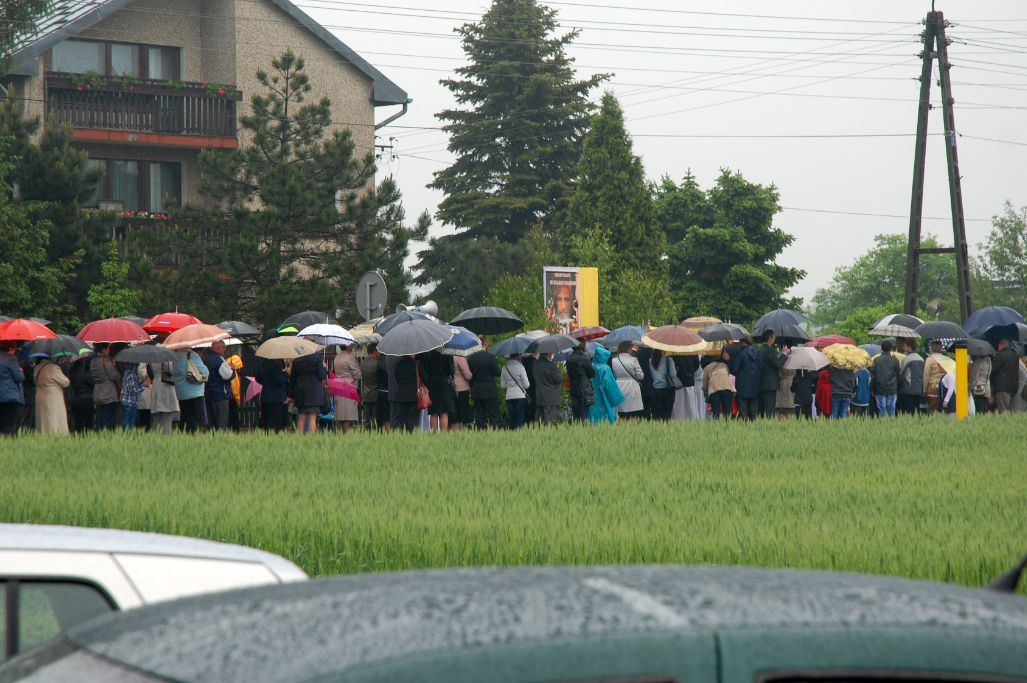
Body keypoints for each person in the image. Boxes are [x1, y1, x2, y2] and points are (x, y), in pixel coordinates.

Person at [467, 339, 502, 429]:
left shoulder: (471, 358)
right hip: (490, 390)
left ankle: (480, 434)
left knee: (479, 416)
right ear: (485, 343)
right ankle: (493, 434)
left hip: (477, 390)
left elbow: (470, 375)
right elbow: (498, 373)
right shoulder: (490, 357)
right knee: (494, 416)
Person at [290, 352, 327, 435]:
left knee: (301, 417)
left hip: (300, 390)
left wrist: (292, 394)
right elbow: (322, 376)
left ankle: (299, 439)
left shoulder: (297, 359)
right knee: (312, 418)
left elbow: (292, 378)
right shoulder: (317, 357)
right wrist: (324, 368)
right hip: (314, 390)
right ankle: (310, 441)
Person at [173, 347, 208, 433]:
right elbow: (205, 372)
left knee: (185, 419)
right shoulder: (192, 355)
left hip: (181, 393)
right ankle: (193, 439)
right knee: (195, 419)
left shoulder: (174, 356)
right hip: (194, 392)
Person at [727, 336, 762, 421]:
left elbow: (734, 370)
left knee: (743, 413)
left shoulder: (741, 353)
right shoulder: (758, 352)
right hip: (755, 386)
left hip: (742, 386)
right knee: (754, 412)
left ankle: (745, 430)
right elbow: (761, 367)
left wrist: (728, 360)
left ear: (743, 341)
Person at [387, 354, 425, 433]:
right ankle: (411, 435)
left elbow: (397, 378)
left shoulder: (398, 364)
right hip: (413, 394)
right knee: (413, 418)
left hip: (401, 394)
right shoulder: (417, 364)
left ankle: (403, 434)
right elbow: (425, 378)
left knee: (403, 418)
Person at [203, 340, 235, 431]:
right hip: (220, 395)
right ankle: (221, 442)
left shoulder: (206, 359)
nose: (225, 350)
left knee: (212, 423)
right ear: (218, 348)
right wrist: (232, 369)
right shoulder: (219, 360)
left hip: (209, 394)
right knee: (222, 422)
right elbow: (227, 375)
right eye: (224, 348)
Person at [33, 357, 70, 436]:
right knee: (54, 418)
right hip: (53, 397)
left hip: (40, 396)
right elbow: (66, 382)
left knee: (42, 419)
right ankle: (55, 435)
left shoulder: (37, 367)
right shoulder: (54, 368)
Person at [589, 345, 624, 425]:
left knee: (593, 419)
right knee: (606, 418)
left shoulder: (591, 366)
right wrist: (617, 400)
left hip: (592, 397)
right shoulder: (605, 368)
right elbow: (610, 386)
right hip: (604, 397)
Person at [422, 349, 455, 432]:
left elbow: (425, 369)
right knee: (444, 411)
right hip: (444, 383)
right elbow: (451, 370)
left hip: (432, 383)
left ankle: (434, 435)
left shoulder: (428, 352)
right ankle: (443, 435)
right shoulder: (447, 352)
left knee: (434, 412)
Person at [91, 344, 122, 431]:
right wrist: (114, 367)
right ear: (103, 349)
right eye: (108, 348)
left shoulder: (93, 361)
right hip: (109, 394)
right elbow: (114, 377)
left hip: (98, 392)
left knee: (100, 420)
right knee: (108, 420)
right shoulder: (106, 361)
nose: (109, 350)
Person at [757, 331, 788, 418]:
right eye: (774, 338)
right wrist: (784, 353)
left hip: (759, 383)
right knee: (769, 409)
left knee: (761, 409)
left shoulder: (758, 350)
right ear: (770, 338)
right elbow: (778, 364)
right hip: (770, 384)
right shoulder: (770, 351)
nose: (774, 340)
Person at [611, 342, 644, 421]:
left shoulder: (614, 360)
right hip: (632, 386)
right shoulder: (634, 360)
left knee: (621, 411)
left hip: (619, 385)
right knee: (632, 412)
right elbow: (641, 376)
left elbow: (614, 374)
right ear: (628, 349)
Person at [565, 339, 595, 424]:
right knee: (584, 415)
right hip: (585, 389)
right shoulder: (584, 358)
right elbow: (592, 374)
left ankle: (576, 432)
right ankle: (584, 433)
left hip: (574, 389)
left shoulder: (569, 358)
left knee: (576, 416)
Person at [870, 340, 902, 417]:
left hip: (879, 388)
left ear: (881, 348)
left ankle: (883, 425)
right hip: (892, 388)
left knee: (881, 409)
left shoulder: (876, 360)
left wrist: (872, 389)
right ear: (891, 348)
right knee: (891, 408)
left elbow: (873, 376)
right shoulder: (895, 360)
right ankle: (891, 425)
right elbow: (898, 375)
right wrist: (898, 387)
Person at [256, 357, 289, 432]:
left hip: (265, 396)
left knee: (266, 422)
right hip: (276, 398)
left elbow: (258, 379)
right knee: (276, 423)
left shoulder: (260, 364)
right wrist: (286, 373)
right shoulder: (276, 365)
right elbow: (280, 380)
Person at [148, 360, 180, 434]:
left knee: (156, 416)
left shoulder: (152, 356)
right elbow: (171, 370)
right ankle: (165, 435)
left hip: (155, 382)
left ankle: (155, 435)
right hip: (165, 384)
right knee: (167, 413)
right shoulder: (165, 356)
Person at [0, 342, 25, 436]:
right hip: (9, 397)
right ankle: (8, 445)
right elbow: (19, 377)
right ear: (11, 348)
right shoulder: (10, 358)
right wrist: (20, 370)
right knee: (9, 425)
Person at [500, 353, 531, 429]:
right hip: (519, 395)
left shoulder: (504, 368)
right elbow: (526, 385)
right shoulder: (520, 367)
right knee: (519, 419)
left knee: (512, 418)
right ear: (517, 356)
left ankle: (511, 436)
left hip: (509, 396)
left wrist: (510, 385)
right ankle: (518, 436)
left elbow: (503, 385)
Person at [533, 352, 563, 426]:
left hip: (539, 395)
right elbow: (559, 379)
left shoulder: (535, 363)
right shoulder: (551, 365)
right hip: (550, 397)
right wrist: (557, 369)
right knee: (548, 421)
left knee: (539, 421)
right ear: (548, 353)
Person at [648, 349, 678, 421]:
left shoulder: (651, 360)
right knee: (667, 415)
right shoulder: (669, 360)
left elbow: (651, 374)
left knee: (657, 415)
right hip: (667, 390)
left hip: (655, 390)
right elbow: (673, 374)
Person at [990, 338, 1019, 414]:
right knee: (1011, 410)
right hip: (1013, 387)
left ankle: (1004, 425)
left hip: (1002, 387)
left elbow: (993, 370)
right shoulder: (1015, 355)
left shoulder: (1000, 355)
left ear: (1000, 346)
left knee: (1003, 410)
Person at [67, 356, 95, 432]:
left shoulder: (72, 370)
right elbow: (93, 383)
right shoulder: (85, 369)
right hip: (87, 399)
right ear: (83, 357)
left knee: (78, 424)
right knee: (88, 425)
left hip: (75, 399)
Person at [702, 354, 735, 419]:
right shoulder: (724, 365)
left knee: (716, 412)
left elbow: (705, 384)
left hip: (714, 390)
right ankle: (727, 426)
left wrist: (705, 392)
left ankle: (717, 426)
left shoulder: (707, 367)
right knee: (727, 412)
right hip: (727, 388)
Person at [898, 339, 925, 415]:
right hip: (919, 389)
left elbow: (902, 375)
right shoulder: (921, 359)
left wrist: (899, 387)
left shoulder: (906, 359)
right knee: (917, 410)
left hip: (908, 390)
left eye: (904, 345)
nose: (903, 347)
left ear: (909, 347)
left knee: (908, 412)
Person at [119, 362, 146, 431]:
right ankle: (128, 438)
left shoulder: (128, 372)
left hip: (127, 401)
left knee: (127, 422)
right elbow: (133, 390)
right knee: (129, 424)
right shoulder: (132, 374)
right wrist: (144, 384)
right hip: (130, 402)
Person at [360, 344, 381, 429]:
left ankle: (367, 433)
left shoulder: (362, 364)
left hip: (366, 393)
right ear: (375, 351)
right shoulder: (377, 363)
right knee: (375, 417)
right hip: (376, 393)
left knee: (366, 417)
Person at [922, 341, 947, 413]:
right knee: (942, 407)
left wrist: (924, 390)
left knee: (932, 407)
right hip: (944, 385)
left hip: (932, 386)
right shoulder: (945, 359)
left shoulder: (929, 359)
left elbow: (926, 375)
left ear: (931, 348)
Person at [451, 354, 473, 431]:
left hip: (451, 388)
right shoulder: (460, 357)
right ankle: (460, 433)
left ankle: (453, 433)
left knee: (454, 415)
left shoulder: (448, 356)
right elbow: (468, 375)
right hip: (462, 388)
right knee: (462, 415)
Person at [634, 345, 655, 420]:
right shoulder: (654, 354)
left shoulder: (637, 356)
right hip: (654, 384)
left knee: (644, 407)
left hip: (642, 385)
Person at [18, 350, 36, 432]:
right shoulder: (27, 361)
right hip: (28, 394)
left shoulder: (17, 359)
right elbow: (34, 378)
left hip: (21, 393)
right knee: (28, 421)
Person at [376, 352, 391, 432]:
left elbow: (378, 379)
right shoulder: (396, 361)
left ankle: (387, 431)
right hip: (394, 390)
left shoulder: (381, 363)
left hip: (383, 391)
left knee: (385, 416)